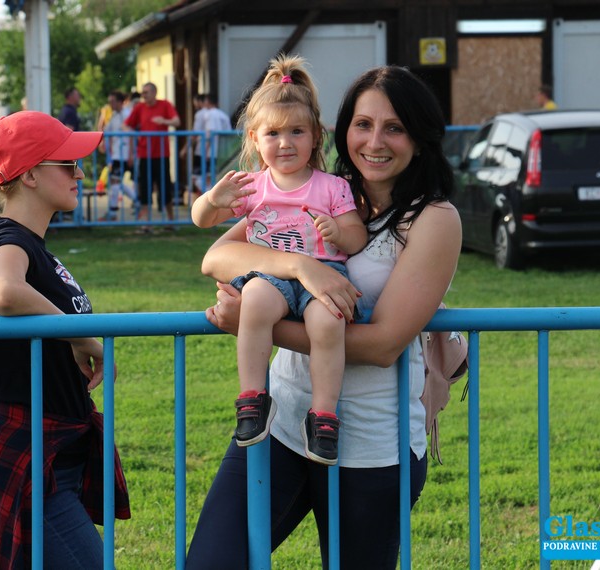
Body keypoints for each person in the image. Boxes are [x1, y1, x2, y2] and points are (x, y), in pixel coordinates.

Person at [185, 65, 461, 569]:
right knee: (211, 562)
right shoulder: (322, 189)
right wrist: (299, 266)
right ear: (341, 130)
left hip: (372, 449)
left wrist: (259, 325)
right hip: (280, 426)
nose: (375, 141)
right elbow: (217, 257)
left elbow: (383, 345)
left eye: (395, 128)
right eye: (363, 124)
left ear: (420, 139)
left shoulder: (433, 219)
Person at [0, 111, 131, 568]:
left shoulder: (28, 243)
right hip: (31, 464)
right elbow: (3, 291)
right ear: (30, 175)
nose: (80, 174)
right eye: (68, 164)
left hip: (48, 462)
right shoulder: (7, 239)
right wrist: (80, 337)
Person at [191, 55, 368, 465]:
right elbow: (202, 220)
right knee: (253, 300)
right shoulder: (251, 187)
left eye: (296, 132)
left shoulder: (332, 187)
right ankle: (253, 398)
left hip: (324, 274)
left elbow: (356, 237)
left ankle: (323, 416)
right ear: (255, 139)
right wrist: (212, 200)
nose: (285, 143)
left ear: (316, 137)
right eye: (273, 133)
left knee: (329, 322)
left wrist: (338, 232)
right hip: (270, 276)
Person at [124, 82, 181, 232]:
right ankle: (146, 223)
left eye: (146, 92)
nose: (143, 95)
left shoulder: (165, 105)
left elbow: (177, 121)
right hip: (144, 154)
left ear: (154, 93)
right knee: (145, 189)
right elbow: (126, 125)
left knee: (165, 188)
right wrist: (135, 134)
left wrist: (164, 121)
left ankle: (171, 220)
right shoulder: (139, 107)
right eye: (142, 92)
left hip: (162, 154)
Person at [101, 90, 138, 221]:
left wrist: (131, 154)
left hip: (125, 154)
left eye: (112, 102)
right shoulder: (114, 115)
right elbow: (107, 131)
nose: (110, 104)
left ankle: (114, 211)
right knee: (115, 182)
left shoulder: (127, 114)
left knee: (115, 181)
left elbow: (132, 135)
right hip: (117, 154)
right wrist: (104, 144)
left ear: (120, 102)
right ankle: (136, 201)